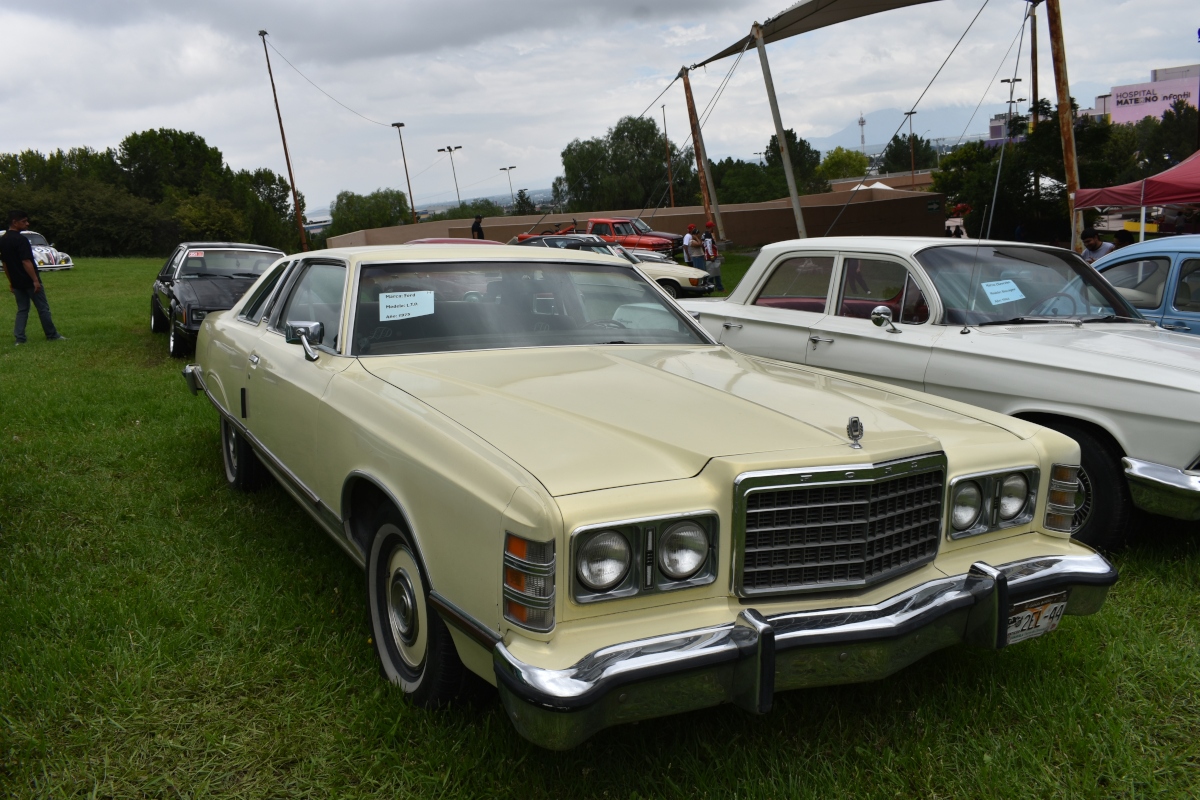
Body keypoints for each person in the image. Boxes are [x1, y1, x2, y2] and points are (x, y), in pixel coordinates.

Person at [1, 210, 64, 345]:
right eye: (24, 221)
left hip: (17, 282)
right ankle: (52, 335)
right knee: (43, 308)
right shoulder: (21, 240)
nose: (27, 224)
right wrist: (35, 280)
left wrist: (11, 282)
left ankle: (20, 338)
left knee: (22, 309)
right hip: (29, 281)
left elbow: (5, 263)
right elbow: (26, 261)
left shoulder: (3, 240)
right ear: (14, 222)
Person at [701, 220, 724, 292]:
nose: (713, 228)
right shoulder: (708, 234)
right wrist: (712, 256)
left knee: (712, 272)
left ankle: (712, 287)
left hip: (709, 255)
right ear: (709, 227)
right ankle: (718, 287)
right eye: (712, 227)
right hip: (711, 256)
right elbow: (709, 246)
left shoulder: (704, 234)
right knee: (715, 272)